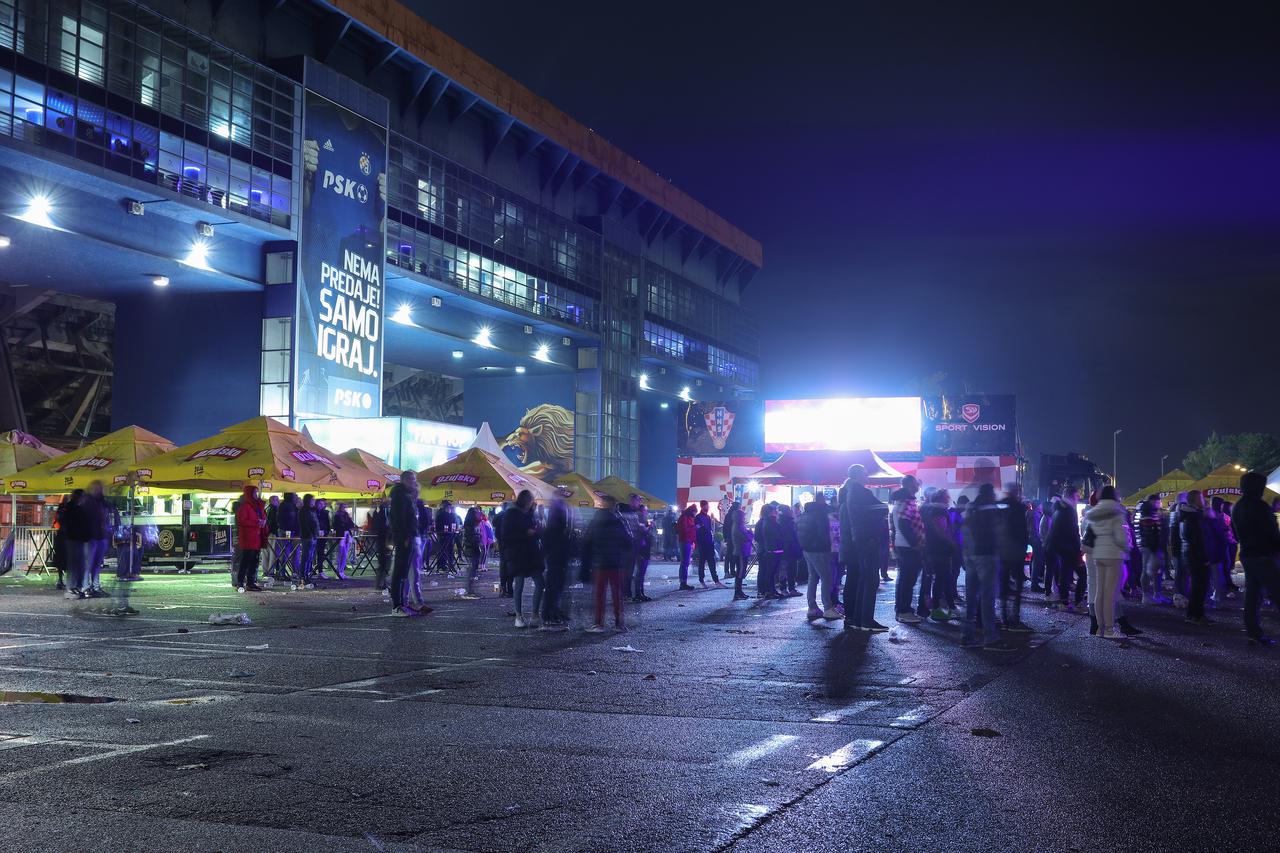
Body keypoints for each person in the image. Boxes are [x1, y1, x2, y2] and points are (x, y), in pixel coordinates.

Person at [961, 484, 1015, 651]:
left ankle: (967, 636)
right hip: (987, 555)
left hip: (970, 555)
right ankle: (990, 637)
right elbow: (998, 533)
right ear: (990, 494)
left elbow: (964, 531)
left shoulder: (971, 508)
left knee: (971, 597)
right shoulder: (990, 510)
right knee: (987, 597)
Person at [1229, 471, 1280, 644]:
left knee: (1252, 594)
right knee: (1276, 591)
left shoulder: (1237, 507)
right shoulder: (1260, 506)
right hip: (1263, 554)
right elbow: (1272, 533)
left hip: (1247, 553)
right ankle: (1253, 631)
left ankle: (1253, 631)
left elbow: (1235, 532)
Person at [840, 464, 889, 633]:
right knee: (870, 580)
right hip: (867, 538)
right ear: (859, 475)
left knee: (861, 579)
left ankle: (858, 618)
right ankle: (866, 620)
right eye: (865, 474)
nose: (867, 477)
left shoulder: (849, 493)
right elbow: (882, 508)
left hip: (857, 540)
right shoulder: (861, 492)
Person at [1082, 486, 1131, 639]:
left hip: (1098, 556)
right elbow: (1121, 538)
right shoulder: (1116, 512)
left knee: (1100, 593)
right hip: (1113, 556)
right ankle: (1109, 629)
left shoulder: (1094, 512)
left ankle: (1099, 628)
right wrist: (1127, 548)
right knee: (1110, 594)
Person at [580, 494, 632, 632]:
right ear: (613, 506)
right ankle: (619, 624)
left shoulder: (594, 521)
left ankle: (598, 624)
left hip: (599, 563)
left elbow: (586, 542)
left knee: (599, 595)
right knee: (617, 595)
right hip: (616, 562)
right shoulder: (618, 522)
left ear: (602, 505)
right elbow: (628, 541)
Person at [501, 489, 545, 628]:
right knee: (519, 584)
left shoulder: (530, 514)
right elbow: (505, 535)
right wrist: (526, 533)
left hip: (531, 553)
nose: (532, 502)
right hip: (518, 553)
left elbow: (536, 531)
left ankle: (534, 615)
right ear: (526, 501)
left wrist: (537, 530)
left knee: (540, 583)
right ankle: (519, 616)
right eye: (531, 500)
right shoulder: (511, 513)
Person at [797, 493, 839, 620]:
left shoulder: (805, 514)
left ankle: (812, 607)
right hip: (820, 550)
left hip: (807, 549)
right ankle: (828, 607)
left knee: (813, 578)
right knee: (826, 578)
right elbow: (823, 533)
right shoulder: (820, 514)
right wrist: (831, 546)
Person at [889, 475, 925, 624]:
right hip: (908, 546)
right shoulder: (906, 502)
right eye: (916, 483)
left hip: (903, 545)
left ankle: (902, 609)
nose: (918, 486)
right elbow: (903, 524)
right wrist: (915, 543)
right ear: (910, 484)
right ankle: (904, 611)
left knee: (904, 579)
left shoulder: (901, 501)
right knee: (908, 579)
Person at [997, 483, 1031, 632]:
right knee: (1018, 585)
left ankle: (1004, 616)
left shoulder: (999, 506)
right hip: (1016, 551)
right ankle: (1014, 617)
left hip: (1002, 551)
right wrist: (1023, 549)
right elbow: (1022, 532)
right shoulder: (1018, 508)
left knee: (1003, 584)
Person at [920, 490, 958, 621]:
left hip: (932, 549)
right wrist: (951, 543)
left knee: (939, 578)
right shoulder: (939, 512)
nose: (949, 499)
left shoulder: (930, 510)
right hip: (940, 550)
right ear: (942, 499)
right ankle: (941, 608)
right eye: (947, 497)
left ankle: (937, 608)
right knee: (943, 578)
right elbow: (940, 531)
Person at [1045, 486, 1084, 610]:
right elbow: (1073, 532)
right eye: (1077, 496)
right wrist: (1078, 550)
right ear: (1071, 496)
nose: (1078, 498)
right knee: (1082, 575)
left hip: (1059, 547)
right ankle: (1077, 602)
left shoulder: (1058, 507)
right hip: (1068, 547)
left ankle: (1065, 601)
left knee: (1065, 574)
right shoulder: (1069, 511)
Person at [388, 471, 421, 616]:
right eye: (412, 479)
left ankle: (402, 604)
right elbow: (398, 518)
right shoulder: (399, 496)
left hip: (408, 536)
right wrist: (405, 536)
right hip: (404, 537)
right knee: (400, 571)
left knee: (403, 572)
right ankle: (397, 606)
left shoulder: (405, 495)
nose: (414, 482)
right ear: (405, 480)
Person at [1180, 490, 1212, 625]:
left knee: (1197, 586)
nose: (1203, 501)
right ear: (1196, 500)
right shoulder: (1193, 517)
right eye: (1201, 499)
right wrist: (1205, 558)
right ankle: (1196, 615)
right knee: (1199, 586)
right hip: (1196, 555)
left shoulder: (1188, 514)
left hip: (1191, 553)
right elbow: (1198, 539)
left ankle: (1194, 614)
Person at [541, 498, 572, 629]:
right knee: (554, 589)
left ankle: (552, 614)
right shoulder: (557, 528)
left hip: (556, 561)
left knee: (554, 589)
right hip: (556, 561)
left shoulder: (553, 527)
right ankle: (550, 615)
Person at [1136, 494, 1168, 605]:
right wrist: (1155, 549)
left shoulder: (1151, 513)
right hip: (1149, 547)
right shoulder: (1146, 514)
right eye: (1158, 502)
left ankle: (1156, 594)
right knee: (1147, 570)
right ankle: (1146, 595)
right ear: (1152, 501)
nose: (1159, 504)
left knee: (1156, 571)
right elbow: (1149, 533)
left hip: (1153, 546)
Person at [83, 480, 112, 597]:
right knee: (89, 564)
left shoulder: (100, 502)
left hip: (99, 536)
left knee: (96, 564)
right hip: (91, 537)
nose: (99, 490)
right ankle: (86, 587)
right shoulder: (89, 502)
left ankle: (94, 586)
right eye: (97, 488)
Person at [234, 485, 266, 592]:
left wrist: (263, 521)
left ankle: (250, 583)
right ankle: (241, 582)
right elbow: (241, 521)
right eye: (255, 493)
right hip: (248, 538)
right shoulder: (246, 507)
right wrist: (257, 522)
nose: (257, 495)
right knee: (246, 560)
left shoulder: (256, 506)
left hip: (256, 537)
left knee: (254, 561)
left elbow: (262, 517)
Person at [62, 489, 91, 600]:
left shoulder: (73, 507)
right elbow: (74, 524)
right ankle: (71, 588)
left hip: (76, 538)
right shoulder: (72, 508)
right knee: (75, 565)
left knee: (78, 564)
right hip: (74, 539)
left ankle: (75, 587)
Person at [627, 496, 653, 602]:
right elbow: (642, 531)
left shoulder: (640, 517)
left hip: (642, 546)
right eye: (646, 510)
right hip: (641, 547)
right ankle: (637, 593)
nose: (646, 512)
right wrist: (649, 527)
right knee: (640, 571)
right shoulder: (639, 517)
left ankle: (640, 592)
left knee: (641, 571)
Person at [754, 503, 783, 599]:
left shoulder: (762, 522)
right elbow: (765, 536)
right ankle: (766, 590)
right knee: (767, 571)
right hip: (766, 550)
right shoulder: (766, 522)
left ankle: (767, 590)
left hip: (765, 549)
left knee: (766, 571)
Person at [694, 501, 723, 587]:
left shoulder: (708, 517)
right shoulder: (698, 517)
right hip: (702, 543)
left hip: (709, 542)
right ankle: (701, 580)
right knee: (702, 562)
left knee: (712, 562)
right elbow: (697, 529)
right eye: (707, 506)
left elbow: (710, 529)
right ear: (703, 506)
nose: (708, 507)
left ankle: (716, 580)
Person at [778, 503, 803, 597]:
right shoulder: (787, 522)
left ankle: (787, 588)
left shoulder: (783, 521)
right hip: (788, 548)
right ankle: (787, 588)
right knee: (787, 569)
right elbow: (793, 535)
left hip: (788, 548)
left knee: (788, 569)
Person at [461, 506, 485, 599]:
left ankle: (471, 590)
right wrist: (477, 542)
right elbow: (471, 538)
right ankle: (470, 590)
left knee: (473, 569)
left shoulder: (474, 524)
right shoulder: (470, 525)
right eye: (476, 512)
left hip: (473, 548)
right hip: (472, 548)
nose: (478, 513)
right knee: (472, 569)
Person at [295, 494, 319, 590]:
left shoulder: (311, 510)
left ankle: (306, 576)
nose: (314, 502)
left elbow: (314, 523)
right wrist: (310, 534)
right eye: (312, 500)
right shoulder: (304, 511)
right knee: (305, 557)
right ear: (308, 500)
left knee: (309, 558)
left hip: (312, 536)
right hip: (307, 537)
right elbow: (304, 524)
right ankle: (302, 577)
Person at [1169, 492, 1188, 607]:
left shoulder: (1172, 512)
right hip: (1180, 547)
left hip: (1175, 546)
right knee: (1182, 573)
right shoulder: (1180, 511)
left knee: (1179, 573)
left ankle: (1178, 595)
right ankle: (1180, 596)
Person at [368, 498, 391, 592]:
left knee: (384, 563)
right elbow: (380, 525)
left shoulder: (382, 511)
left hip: (384, 539)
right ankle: (381, 583)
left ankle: (381, 583)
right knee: (384, 563)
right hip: (383, 539)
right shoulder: (381, 512)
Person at [676, 505, 697, 590]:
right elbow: (684, 529)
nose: (695, 514)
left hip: (688, 541)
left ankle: (683, 582)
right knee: (685, 562)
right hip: (685, 541)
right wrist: (694, 527)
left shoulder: (688, 517)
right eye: (694, 512)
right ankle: (683, 582)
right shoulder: (684, 517)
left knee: (686, 562)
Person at [332, 501, 355, 579]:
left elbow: (351, 524)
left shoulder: (346, 515)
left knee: (345, 554)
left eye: (346, 507)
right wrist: (347, 526)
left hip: (347, 535)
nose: (345, 508)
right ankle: (339, 571)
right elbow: (336, 526)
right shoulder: (337, 516)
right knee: (341, 554)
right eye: (343, 507)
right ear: (340, 507)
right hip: (341, 536)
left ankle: (341, 571)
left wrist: (350, 526)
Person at [435, 500, 456, 573]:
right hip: (445, 535)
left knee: (444, 551)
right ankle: (446, 565)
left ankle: (443, 565)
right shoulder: (444, 515)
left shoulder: (440, 514)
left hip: (444, 535)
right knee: (446, 551)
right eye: (449, 507)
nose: (450, 509)